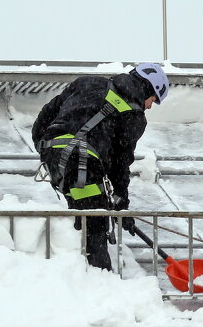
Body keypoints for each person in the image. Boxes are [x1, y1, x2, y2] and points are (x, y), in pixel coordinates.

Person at [32, 63, 170, 269]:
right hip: (82, 163)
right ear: (148, 89)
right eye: (153, 100)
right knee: (95, 223)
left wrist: (46, 149)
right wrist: (122, 204)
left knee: (85, 216)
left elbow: (46, 115)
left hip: (54, 154)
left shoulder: (88, 82)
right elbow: (120, 163)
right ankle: (98, 280)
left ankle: (77, 272)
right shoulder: (133, 115)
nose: (150, 106)